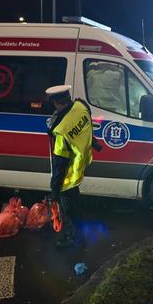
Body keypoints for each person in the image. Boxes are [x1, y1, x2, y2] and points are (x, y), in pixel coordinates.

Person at [45, 84, 94, 248]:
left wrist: (55, 191)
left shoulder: (61, 130)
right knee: (75, 201)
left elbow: (59, 164)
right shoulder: (81, 107)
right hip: (82, 161)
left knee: (67, 208)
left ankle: (74, 238)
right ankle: (79, 233)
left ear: (54, 102)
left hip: (69, 172)